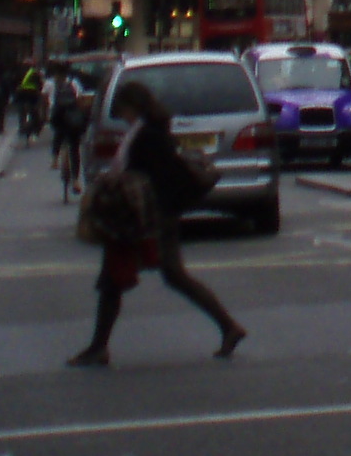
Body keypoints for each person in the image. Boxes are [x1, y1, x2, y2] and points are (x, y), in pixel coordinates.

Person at [67, 78, 245, 366]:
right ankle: (228, 326)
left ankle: (99, 348)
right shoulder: (147, 130)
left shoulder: (148, 134)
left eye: (123, 110)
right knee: (165, 275)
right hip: (152, 215)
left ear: (133, 106)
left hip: (148, 216)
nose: (122, 117)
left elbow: (153, 176)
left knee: (115, 279)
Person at [49, 65, 89, 198]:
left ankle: (55, 158)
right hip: (72, 119)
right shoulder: (74, 83)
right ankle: (76, 180)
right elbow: (81, 99)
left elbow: (50, 102)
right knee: (75, 148)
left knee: (58, 134)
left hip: (59, 117)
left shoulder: (51, 84)